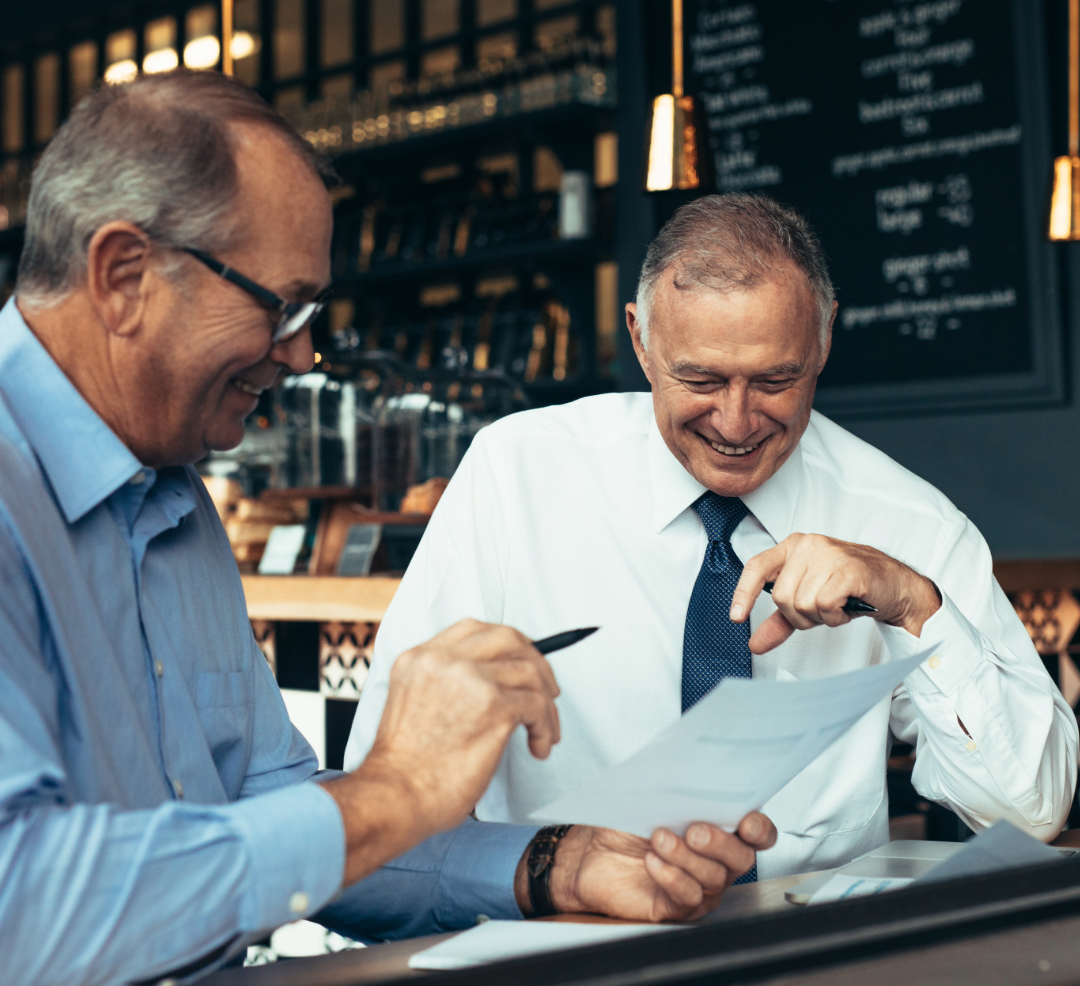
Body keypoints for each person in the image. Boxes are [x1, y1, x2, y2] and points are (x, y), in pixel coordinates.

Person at [0, 72, 774, 986]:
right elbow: (23, 909)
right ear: (124, 276)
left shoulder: (172, 494)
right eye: (280, 306)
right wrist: (394, 790)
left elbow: (274, 807)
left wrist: (552, 866)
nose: (299, 354)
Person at [347, 192, 1079, 898]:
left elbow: (1031, 813)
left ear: (823, 340)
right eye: (699, 378)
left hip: (811, 953)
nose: (735, 422)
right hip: (566, 941)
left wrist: (916, 605)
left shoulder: (910, 521)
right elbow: (388, 784)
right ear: (639, 338)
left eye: (775, 380)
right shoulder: (516, 475)